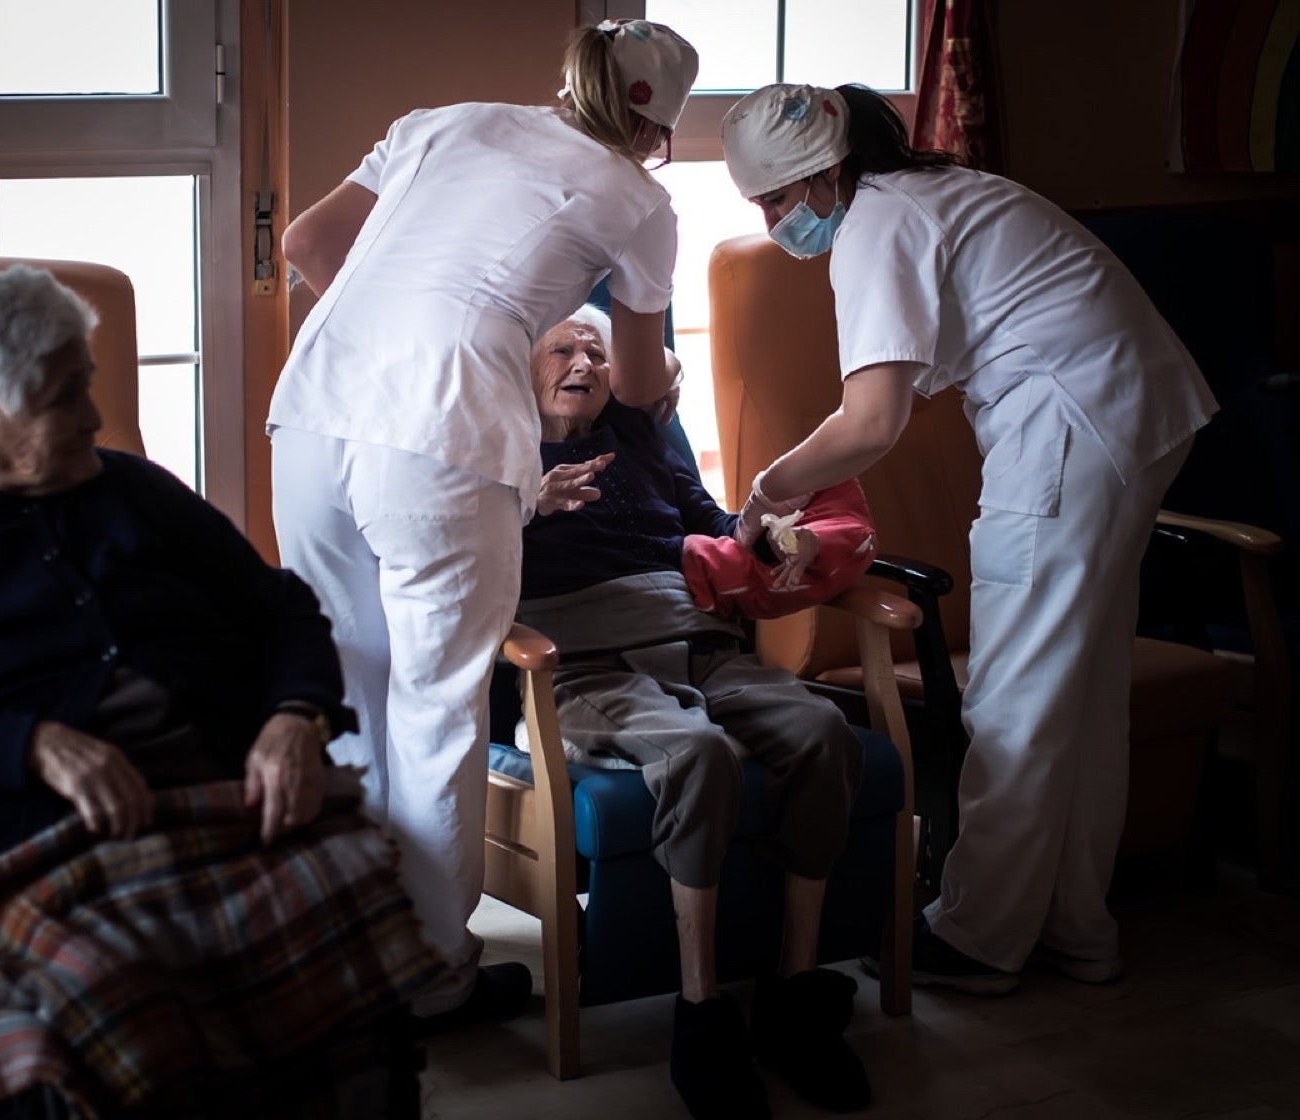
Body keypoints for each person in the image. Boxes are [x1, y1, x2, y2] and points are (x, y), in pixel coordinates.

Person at [720, 83, 1219, 995]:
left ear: (826, 172)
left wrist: (765, 488)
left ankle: (981, 937)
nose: (774, 220)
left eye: (778, 200)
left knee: (1018, 692)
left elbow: (870, 420)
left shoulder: (879, 221)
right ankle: (1076, 924)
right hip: (1137, 413)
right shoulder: (945, 192)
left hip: (1072, 427)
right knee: (1085, 689)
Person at [266, 19, 699, 1028]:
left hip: (319, 405)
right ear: (660, 132)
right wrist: (655, 370)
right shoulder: (641, 199)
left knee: (344, 691)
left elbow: (306, 244)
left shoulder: (445, 122)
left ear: (568, 79)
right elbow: (634, 380)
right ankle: (427, 979)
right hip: (440, 434)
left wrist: (398, 335)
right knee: (430, 712)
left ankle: (345, 953)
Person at [0, 263, 359, 876]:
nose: (93, 418)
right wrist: (29, 744)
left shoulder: (135, 489)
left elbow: (280, 607)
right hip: (36, 831)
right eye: (62, 398)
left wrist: (296, 716)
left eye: (85, 385)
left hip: (234, 793)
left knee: (377, 929)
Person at [519, 306, 872, 1118]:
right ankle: (701, 1011)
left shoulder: (642, 439)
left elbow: (713, 528)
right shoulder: (496, 451)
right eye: (562, 349)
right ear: (523, 366)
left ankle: (793, 995)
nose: (583, 364)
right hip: (584, 666)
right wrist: (528, 503)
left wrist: (776, 537)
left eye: (598, 353)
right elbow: (457, 559)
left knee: (825, 735)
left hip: (703, 644)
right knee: (697, 755)